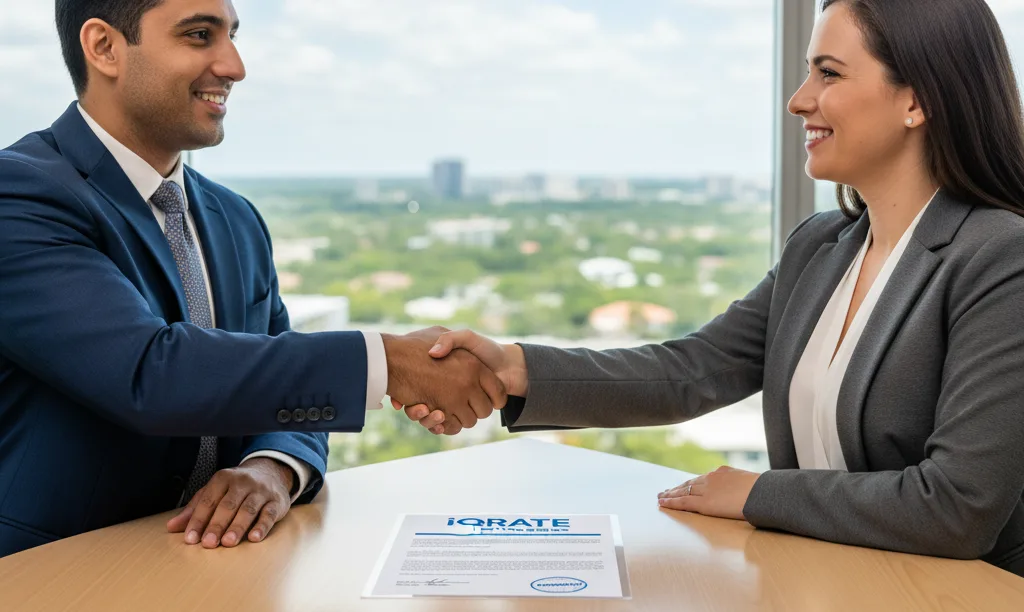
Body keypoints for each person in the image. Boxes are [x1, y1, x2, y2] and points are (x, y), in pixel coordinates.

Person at [401, 0, 1024, 576]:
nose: (798, 100)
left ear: (915, 100)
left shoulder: (1000, 257)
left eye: (829, 74)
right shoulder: (819, 248)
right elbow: (693, 369)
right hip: (831, 581)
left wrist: (755, 492)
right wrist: (513, 368)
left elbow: (958, 505)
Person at [0, 0, 504, 558]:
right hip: (60, 574)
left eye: (232, 36)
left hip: (229, 573)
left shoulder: (235, 218)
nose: (234, 66)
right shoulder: (19, 196)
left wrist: (273, 468)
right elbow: (149, 374)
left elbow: (283, 379)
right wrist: (387, 363)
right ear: (104, 48)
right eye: (198, 35)